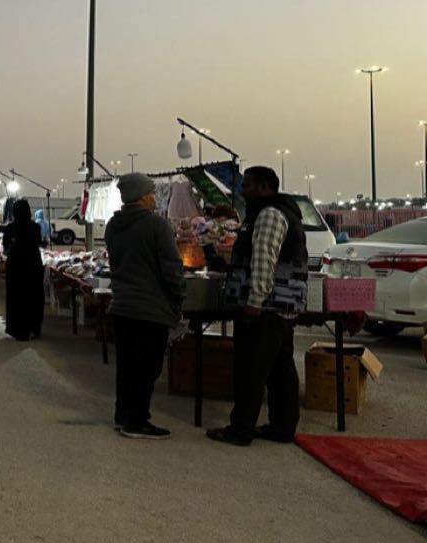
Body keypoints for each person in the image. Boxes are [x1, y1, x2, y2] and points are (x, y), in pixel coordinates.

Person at [208, 166, 307, 447]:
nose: (243, 191)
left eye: (248, 185)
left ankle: (240, 429)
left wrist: (255, 300)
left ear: (264, 187)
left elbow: (264, 258)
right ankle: (282, 427)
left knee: (251, 369)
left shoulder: (269, 214)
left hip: (266, 306)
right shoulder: (277, 212)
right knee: (279, 368)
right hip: (280, 305)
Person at [105, 173, 186, 440]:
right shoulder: (156, 225)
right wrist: (178, 297)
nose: (154, 198)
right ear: (141, 196)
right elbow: (172, 268)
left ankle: (123, 415)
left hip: (122, 305)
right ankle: (137, 421)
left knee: (127, 366)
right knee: (147, 368)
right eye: (151, 193)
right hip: (150, 309)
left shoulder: (113, 225)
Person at [4, 199, 45, 341]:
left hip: (16, 267)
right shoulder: (35, 227)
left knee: (16, 298)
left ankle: (18, 329)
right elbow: (38, 242)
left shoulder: (10, 228)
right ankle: (34, 327)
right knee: (33, 297)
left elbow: (6, 248)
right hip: (33, 266)